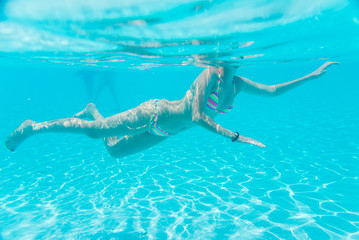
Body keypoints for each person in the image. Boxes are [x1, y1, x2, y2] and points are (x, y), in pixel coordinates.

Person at [5, 62, 338, 158]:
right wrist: (237, 136)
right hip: (155, 114)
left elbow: (274, 91)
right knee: (96, 135)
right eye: (221, 63)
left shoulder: (238, 84)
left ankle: (93, 108)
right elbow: (195, 116)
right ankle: (34, 126)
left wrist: (311, 76)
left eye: (229, 64)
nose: (223, 67)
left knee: (115, 153)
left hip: (167, 132)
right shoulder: (209, 74)